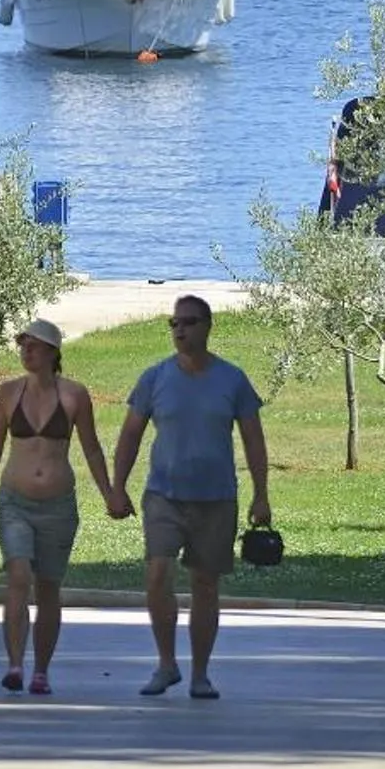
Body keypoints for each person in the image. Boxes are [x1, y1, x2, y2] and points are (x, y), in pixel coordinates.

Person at [112, 294, 270, 699]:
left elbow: (254, 439)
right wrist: (117, 487)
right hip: (164, 494)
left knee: (205, 583)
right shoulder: (155, 378)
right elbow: (130, 434)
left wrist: (261, 495)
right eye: (174, 323)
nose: (180, 330)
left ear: (207, 326)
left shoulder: (232, 379)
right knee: (158, 572)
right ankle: (166, 665)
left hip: (216, 497)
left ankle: (200, 674)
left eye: (189, 322)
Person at [0, 317, 121, 697]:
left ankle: (41, 670)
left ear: (53, 352)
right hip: (14, 502)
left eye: (34, 345)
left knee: (49, 588)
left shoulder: (74, 395)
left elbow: (90, 447)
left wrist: (109, 493)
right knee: (19, 576)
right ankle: (15, 664)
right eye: (23, 344)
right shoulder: (8, 393)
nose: (26, 350)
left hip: (58, 506)